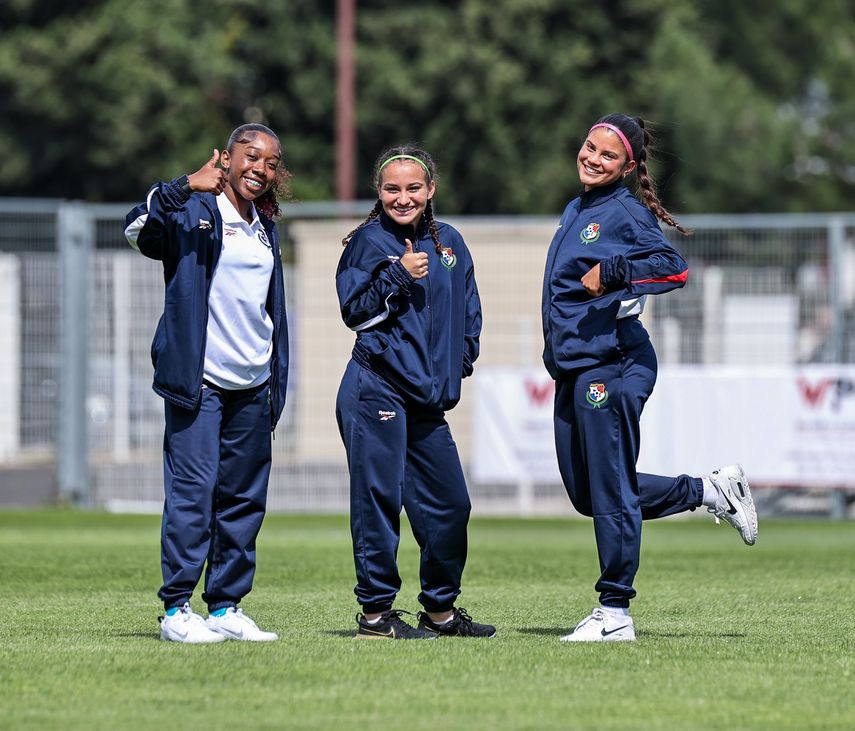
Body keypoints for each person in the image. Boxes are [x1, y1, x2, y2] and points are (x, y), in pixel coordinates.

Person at [541, 114, 758, 642]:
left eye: (607, 155)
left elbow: (673, 268)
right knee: (589, 496)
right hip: (574, 366)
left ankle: (614, 613)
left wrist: (615, 273)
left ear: (627, 166)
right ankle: (710, 490)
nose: (593, 158)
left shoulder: (624, 211)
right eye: (589, 147)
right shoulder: (577, 208)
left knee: (611, 488)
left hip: (613, 364)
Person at [124, 123, 290, 643]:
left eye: (270, 161)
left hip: (252, 384)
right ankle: (176, 611)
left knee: (242, 498)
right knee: (193, 494)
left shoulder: (264, 224)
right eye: (250, 155)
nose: (259, 168)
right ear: (227, 156)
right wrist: (182, 186)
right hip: (202, 382)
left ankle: (224, 607)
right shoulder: (194, 210)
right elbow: (135, 230)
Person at [335, 146, 495, 639]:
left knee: (451, 505)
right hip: (376, 389)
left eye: (412, 188)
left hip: (427, 400)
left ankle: (440, 612)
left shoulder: (452, 244)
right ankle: (376, 616)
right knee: (379, 501)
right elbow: (355, 312)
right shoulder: (366, 243)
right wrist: (399, 275)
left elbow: (469, 313)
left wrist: (456, 365)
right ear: (378, 193)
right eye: (391, 189)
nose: (402, 198)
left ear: (430, 191)